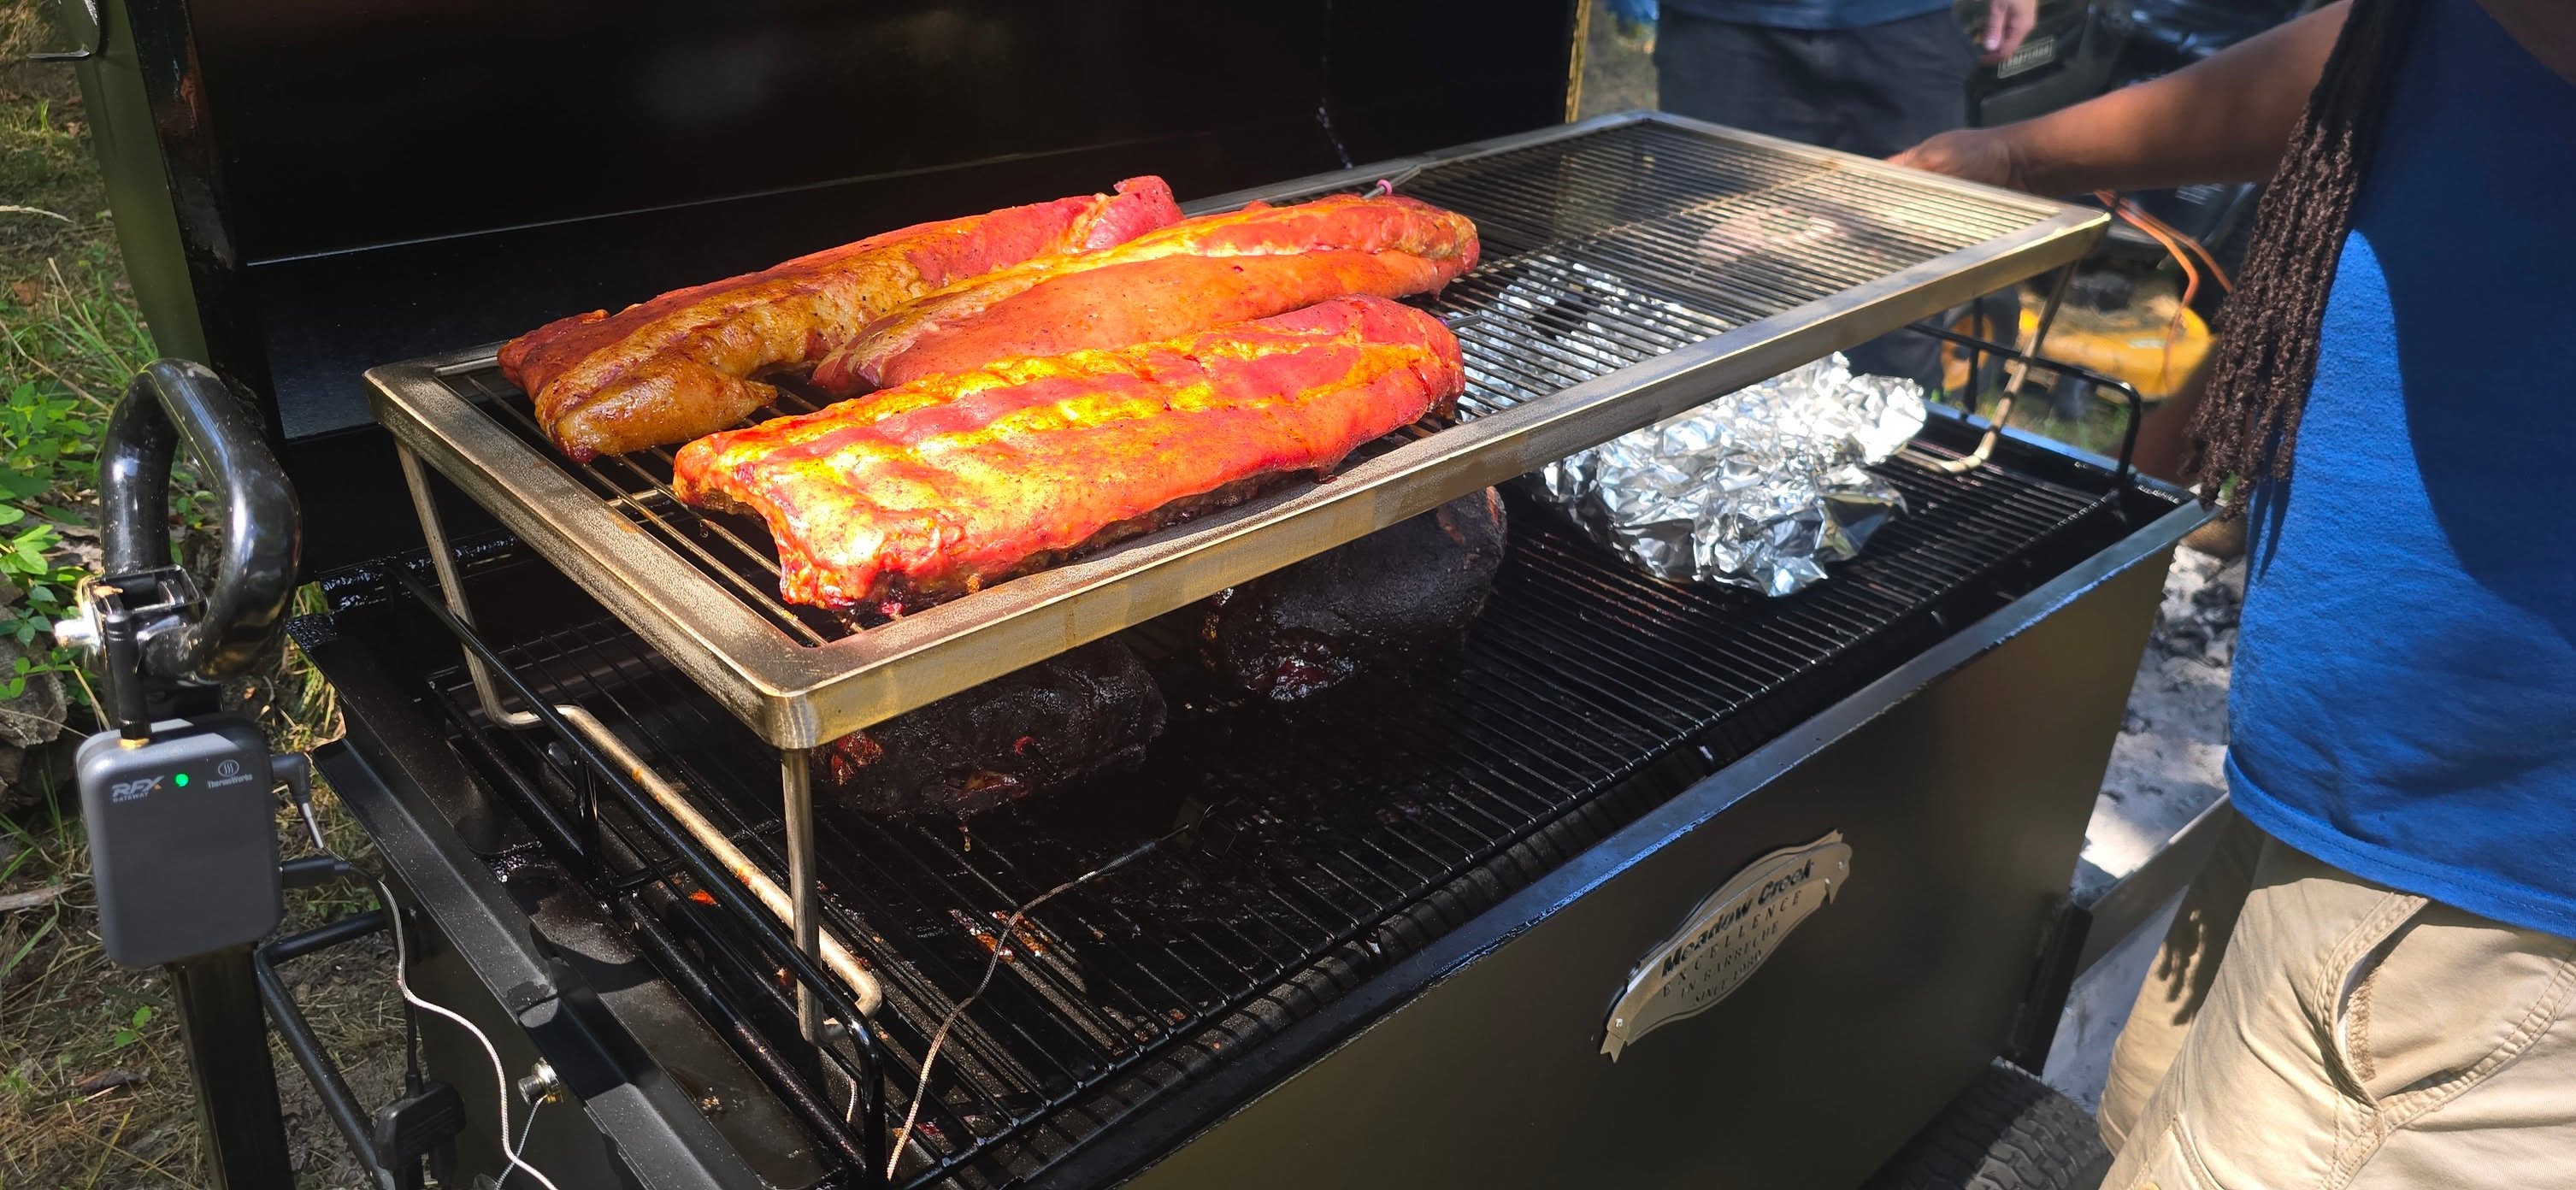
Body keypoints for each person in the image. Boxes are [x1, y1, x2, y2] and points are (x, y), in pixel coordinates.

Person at [1894, 2, 2576, 1186]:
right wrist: (2022, 154)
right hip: (2350, 800)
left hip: (2496, 904)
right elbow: (2403, 42)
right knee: (2129, 1123)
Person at [1630, 0, 2035, 380]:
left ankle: (1888, 430)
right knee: (1698, 284)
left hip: (1907, 25)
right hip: (1719, 27)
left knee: (1910, 288)